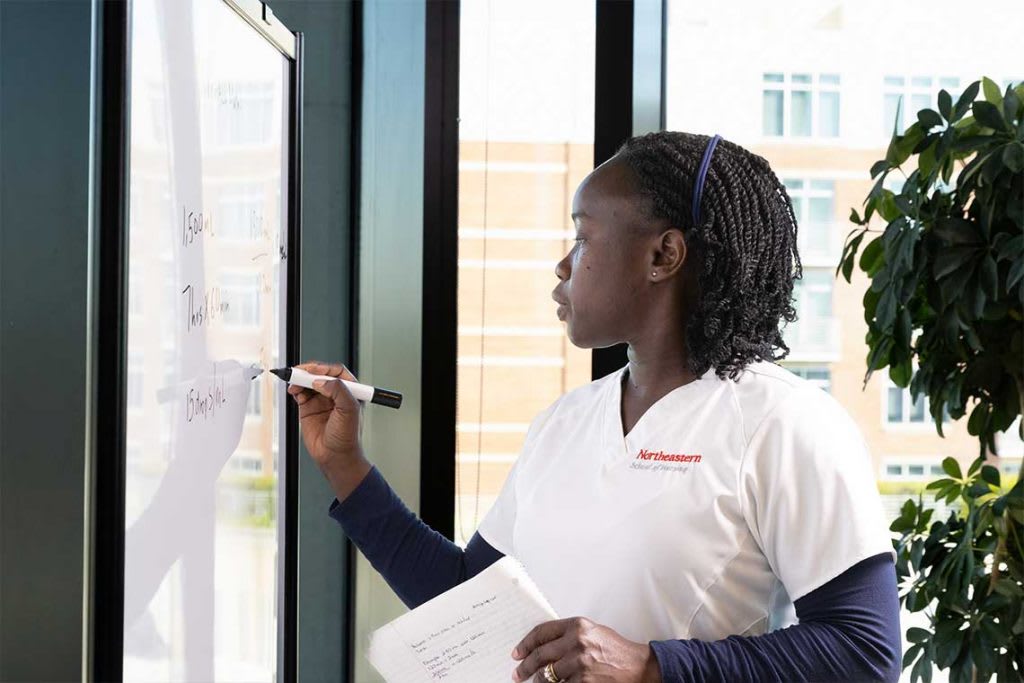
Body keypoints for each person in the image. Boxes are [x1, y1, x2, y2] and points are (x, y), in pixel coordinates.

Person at [289, 131, 903, 683]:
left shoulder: (785, 423)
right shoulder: (564, 422)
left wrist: (650, 665)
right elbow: (466, 604)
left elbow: (865, 651)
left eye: (583, 237)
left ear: (663, 255)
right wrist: (345, 466)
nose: (562, 265)